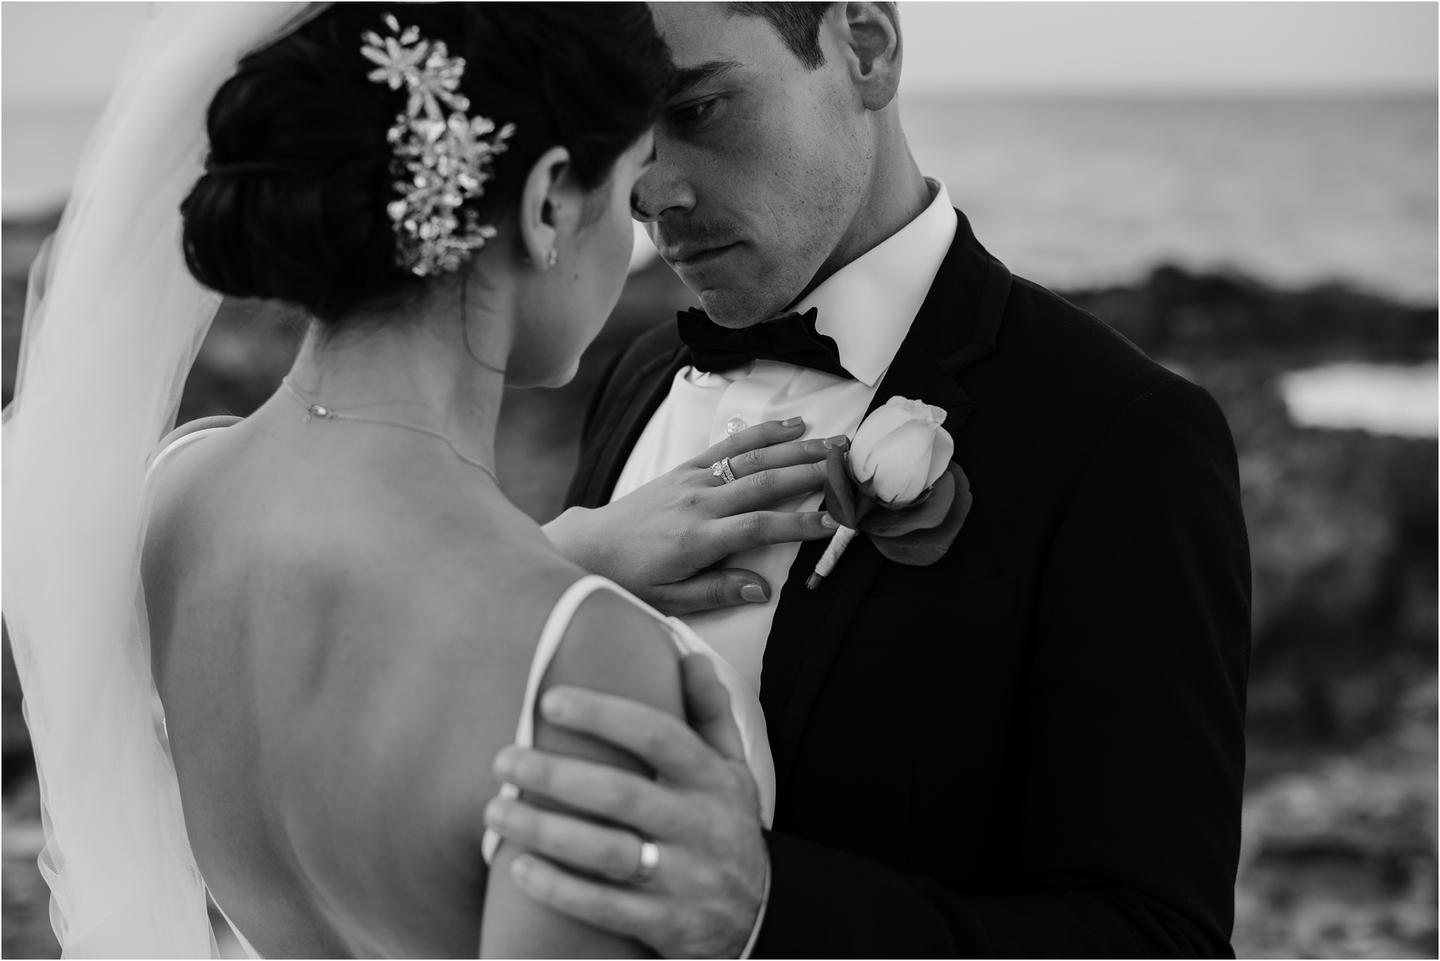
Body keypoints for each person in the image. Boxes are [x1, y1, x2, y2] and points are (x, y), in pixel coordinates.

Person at [3, 3, 830, 956]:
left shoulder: (177, 497)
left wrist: (557, 556)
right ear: (551, 201)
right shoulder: (581, 667)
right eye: (628, 189)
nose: (639, 241)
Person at [485, 3, 1253, 957]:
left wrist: (766, 911)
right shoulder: (638, 372)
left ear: (867, 47)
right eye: (621, 141)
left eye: (700, 109)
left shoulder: (1123, 437)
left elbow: (1156, 937)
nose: (650, 193)